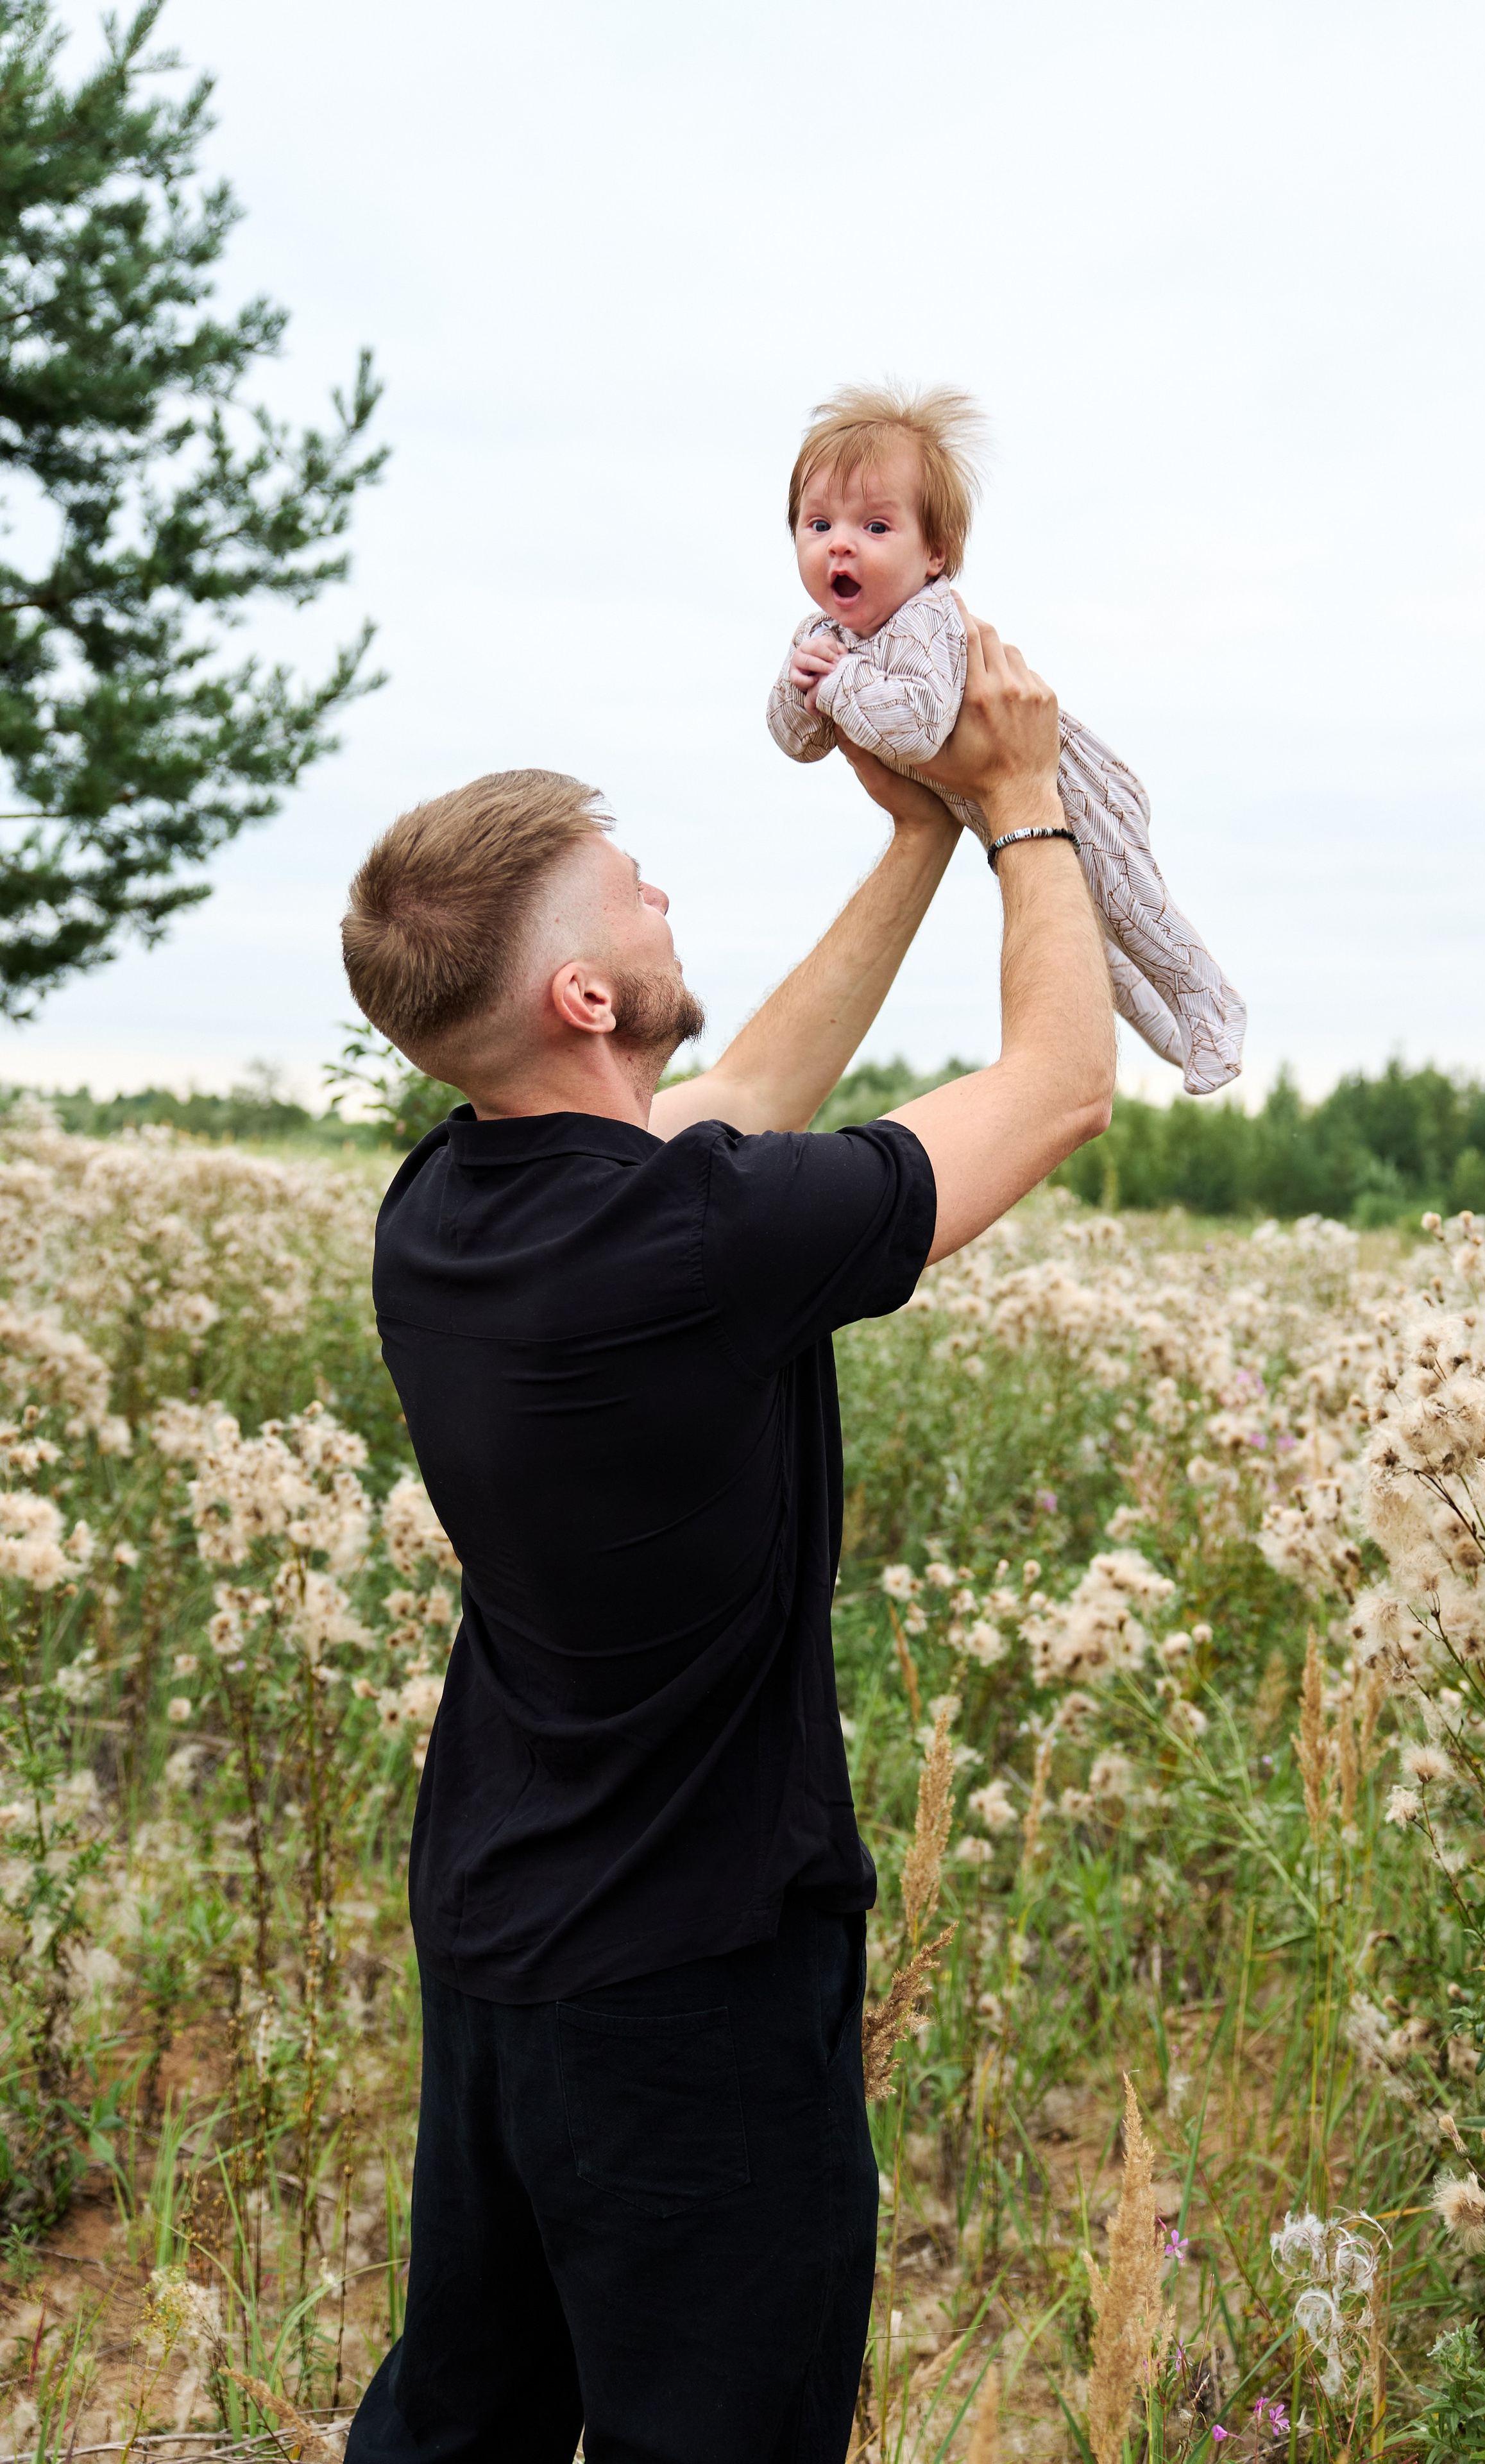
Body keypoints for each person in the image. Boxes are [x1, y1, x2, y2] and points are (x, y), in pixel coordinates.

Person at [338, 608, 1114, 2463]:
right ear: (582, 1005)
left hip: (507, 1941)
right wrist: (1019, 806)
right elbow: (1061, 1085)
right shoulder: (696, 1246)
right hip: (690, 1987)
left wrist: (908, 842)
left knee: (471, 2419)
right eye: (633, 894)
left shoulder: (447, 1203)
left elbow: (742, 1097)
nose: (664, 891)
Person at [767, 382, 1245, 1096]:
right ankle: (1177, 1039)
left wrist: (834, 689)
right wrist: (795, 687)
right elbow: (797, 742)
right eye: (817, 524)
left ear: (936, 554)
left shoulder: (926, 620)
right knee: (1086, 941)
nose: (839, 542)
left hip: (1064, 784)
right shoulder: (823, 638)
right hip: (991, 808)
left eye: (874, 527)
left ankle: (1214, 1006)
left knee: (1129, 907)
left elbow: (918, 725)